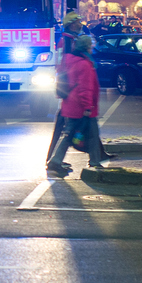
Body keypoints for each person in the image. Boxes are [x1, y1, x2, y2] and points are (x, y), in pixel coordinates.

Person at [46, 34, 102, 177]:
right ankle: (57, 161)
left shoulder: (70, 59)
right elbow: (85, 88)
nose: (92, 48)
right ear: (86, 47)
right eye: (90, 45)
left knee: (70, 134)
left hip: (70, 104)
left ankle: (57, 160)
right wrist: (88, 106)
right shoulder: (84, 64)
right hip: (80, 106)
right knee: (88, 134)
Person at [46, 12, 85, 170]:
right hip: (68, 87)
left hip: (67, 87)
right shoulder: (67, 41)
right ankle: (53, 160)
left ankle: (53, 158)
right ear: (70, 24)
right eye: (77, 22)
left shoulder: (69, 39)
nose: (80, 25)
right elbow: (65, 65)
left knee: (63, 124)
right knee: (67, 125)